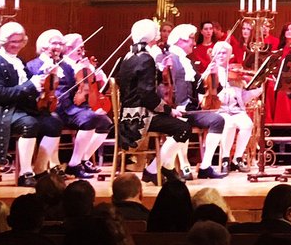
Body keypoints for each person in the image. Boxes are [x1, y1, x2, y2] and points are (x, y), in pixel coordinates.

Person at [0, 21, 64, 186]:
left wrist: (44, 81)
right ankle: (25, 172)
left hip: (20, 109)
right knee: (29, 123)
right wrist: (31, 85)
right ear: (4, 42)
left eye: (20, 41)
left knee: (54, 123)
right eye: (13, 41)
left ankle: (40, 169)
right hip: (0, 112)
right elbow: (0, 94)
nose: (17, 45)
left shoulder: (19, 61)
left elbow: (28, 89)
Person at [116, 17, 190, 184]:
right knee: (183, 128)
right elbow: (147, 95)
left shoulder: (129, 56)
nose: (158, 33)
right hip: (140, 118)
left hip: (127, 115)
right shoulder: (145, 58)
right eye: (156, 31)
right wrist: (169, 110)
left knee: (177, 124)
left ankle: (166, 169)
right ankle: (153, 169)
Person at [165, 24, 228, 178]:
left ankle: (205, 166)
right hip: (174, 110)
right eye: (191, 39)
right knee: (181, 125)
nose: (194, 43)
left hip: (191, 109)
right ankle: (177, 167)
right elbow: (162, 87)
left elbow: (200, 88)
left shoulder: (187, 62)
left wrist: (212, 75)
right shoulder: (169, 58)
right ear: (180, 40)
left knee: (217, 120)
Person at [52, 33, 114, 178]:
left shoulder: (84, 64)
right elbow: (61, 93)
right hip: (66, 107)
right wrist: (79, 75)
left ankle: (83, 158)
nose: (80, 49)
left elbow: (99, 87)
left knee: (105, 122)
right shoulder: (62, 65)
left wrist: (95, 74)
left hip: (83, 107)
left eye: (82, 46)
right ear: (67, 48)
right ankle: (73, 164)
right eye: (76, 47)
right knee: (90, 118)